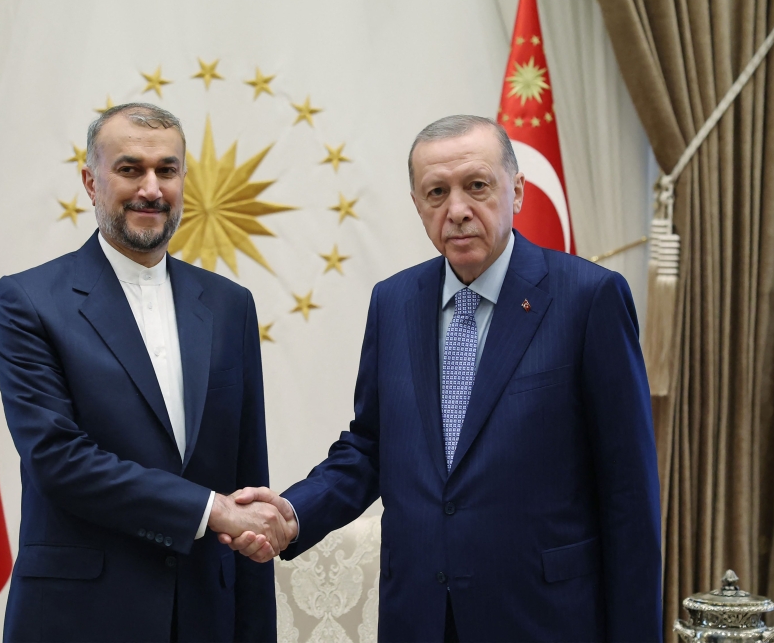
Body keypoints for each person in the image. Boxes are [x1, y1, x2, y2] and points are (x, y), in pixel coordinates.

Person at [226, 115, 663, 642]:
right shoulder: (394, 302)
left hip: (544, 619)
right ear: (417, 205)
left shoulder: (589, 299)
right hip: (420, 617)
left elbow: (629, 496)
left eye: (477, 186)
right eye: (437, 192)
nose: (456, 210)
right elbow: (371, 447)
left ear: (517, 191)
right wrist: (293, 513)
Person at [0, 103, 293, 642]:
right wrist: (211, 511)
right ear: (91, 181)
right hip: (79, 618)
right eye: (130, 169)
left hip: (208, 615)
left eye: (167, 171)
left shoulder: (230, 306)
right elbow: (58, 460)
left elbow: (248, 474)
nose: (151, 189)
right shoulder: (29, 301)